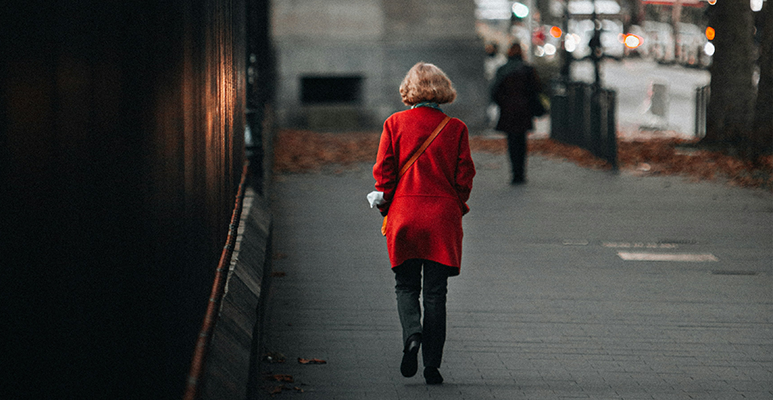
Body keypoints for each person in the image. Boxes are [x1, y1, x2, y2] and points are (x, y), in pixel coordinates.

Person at [368, 62, 475, 385]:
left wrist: (383, 200)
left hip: (404, 215)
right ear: (442, 89)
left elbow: (384, 173)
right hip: (442, 218)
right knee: (436, 294)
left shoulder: (394, 124)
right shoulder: (456, 129)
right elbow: (465, 176)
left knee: (405, 285)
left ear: (409, 90)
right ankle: (432, 365)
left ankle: (412, 333)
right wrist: (455, 203)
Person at [490, 42, 542, 185]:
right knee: (522, 141)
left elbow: (494, 91)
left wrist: (503, 104)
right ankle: (521, 172)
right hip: (524, 110)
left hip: (508, 111)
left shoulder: (503, 69)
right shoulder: (528, 70)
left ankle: (515, 173)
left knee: (512, 141)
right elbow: (536, 89)